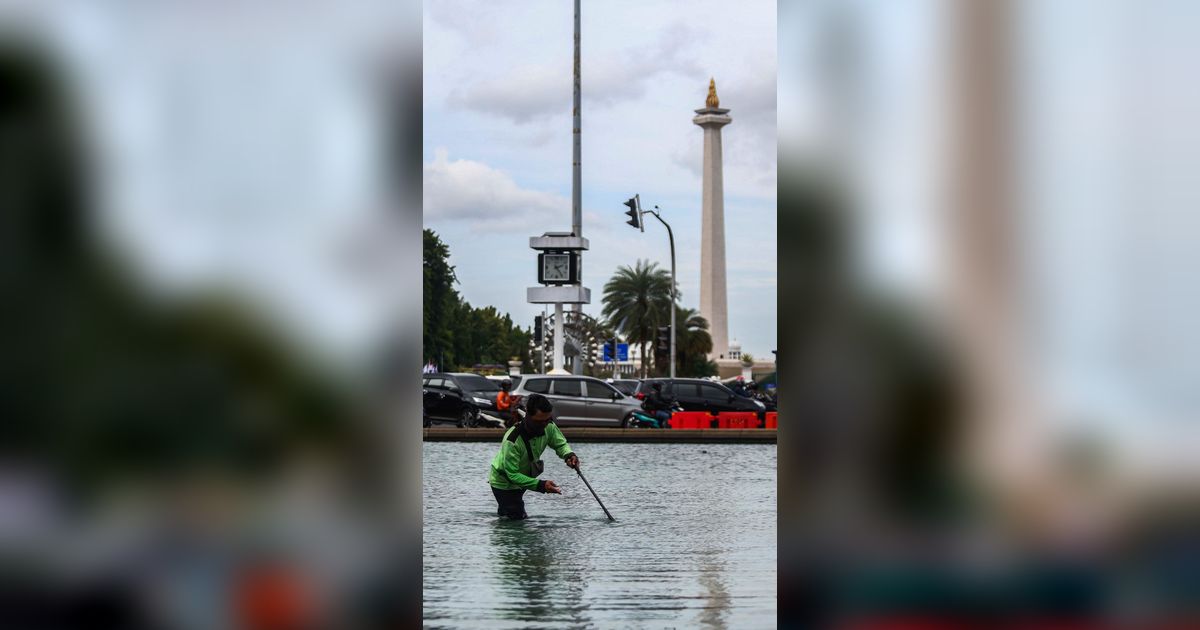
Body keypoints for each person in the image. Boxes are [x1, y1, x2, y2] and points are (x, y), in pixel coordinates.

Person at [487, 393, 580, 519]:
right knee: (518, 518)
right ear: (528, 416)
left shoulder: (549, 426)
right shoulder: (512, 440)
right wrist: (541, 485)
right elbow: (512, 475)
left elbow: (560, 444)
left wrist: (569, 455)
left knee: (508, 514)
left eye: (547, 420)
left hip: (524, 479)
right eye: (539, 422)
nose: (544, 425)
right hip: (504, 482)